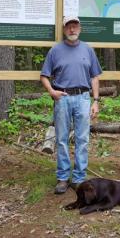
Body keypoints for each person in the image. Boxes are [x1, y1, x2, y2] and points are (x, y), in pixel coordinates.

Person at [41, 16, 102, 194]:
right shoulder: (55, 51)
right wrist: (52, 91)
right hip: (63, 98)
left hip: (83, 97)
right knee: (61, 139)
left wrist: (96, 101)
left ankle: (79, 178)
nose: (72, 30)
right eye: (69, 27)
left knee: (83, 139)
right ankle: (62, 178)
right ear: (64, 29)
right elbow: (44, 75)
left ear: (79, 29)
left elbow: (95, 77)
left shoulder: (88, 50)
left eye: (75, 26)